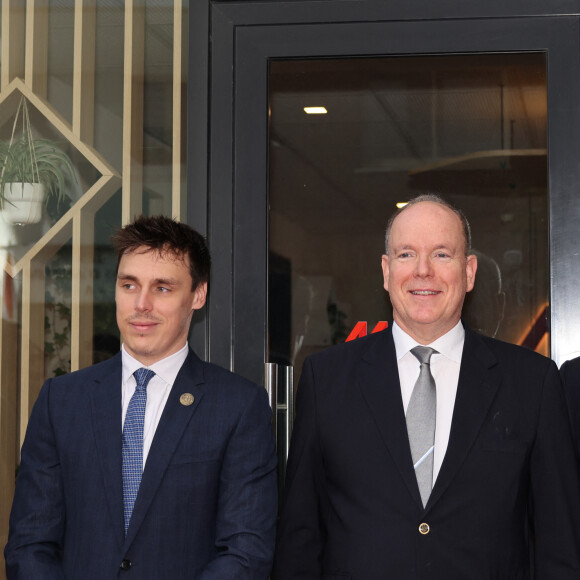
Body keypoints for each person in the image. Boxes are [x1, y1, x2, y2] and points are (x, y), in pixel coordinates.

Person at [273, 194, 580, 579]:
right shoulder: (326, 379)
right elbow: (299, 539)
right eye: (405, 255)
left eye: (441, 254)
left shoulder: (533, 382)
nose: (422, 271)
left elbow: (559, 546)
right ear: (385, 271)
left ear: (469, 272)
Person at [5, 215, 278, 579]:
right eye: (129, 285)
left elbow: (246, 551)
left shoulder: (238, 407)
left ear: (198, 294)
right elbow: (30, 542)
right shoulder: (62, 401)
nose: (142, 304)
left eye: (163, 288)